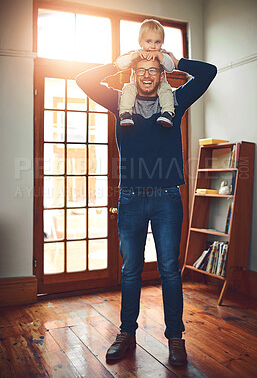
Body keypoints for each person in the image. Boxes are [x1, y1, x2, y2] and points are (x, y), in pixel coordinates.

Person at [76, 51, 217, 366]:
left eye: (154, 69)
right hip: (131, 199)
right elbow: (82, 80)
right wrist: (116, 63)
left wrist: (177, 62)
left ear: (162, 74)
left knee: (169, 270)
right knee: (130, 271)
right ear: (133, 74)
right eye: (141, 70)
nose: (148, 75)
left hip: (167, 198)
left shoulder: (176, 102)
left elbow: (209, 73)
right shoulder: (119, 103)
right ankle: (127, 334)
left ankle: (175, 339)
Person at [117, 19, 175, 128]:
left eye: (157, 42)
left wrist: (159, 56)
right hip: (136, 85)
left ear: (162, 43)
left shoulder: (162, 54)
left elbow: (171, 67)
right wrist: (134, 56)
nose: (153, 46)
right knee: (128, 89)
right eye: (149, 41)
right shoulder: (136, 53)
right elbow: (120, 64)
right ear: (140, 42)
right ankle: (125, 114)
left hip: (159, 85)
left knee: (166, 89)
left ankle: (167, 113)